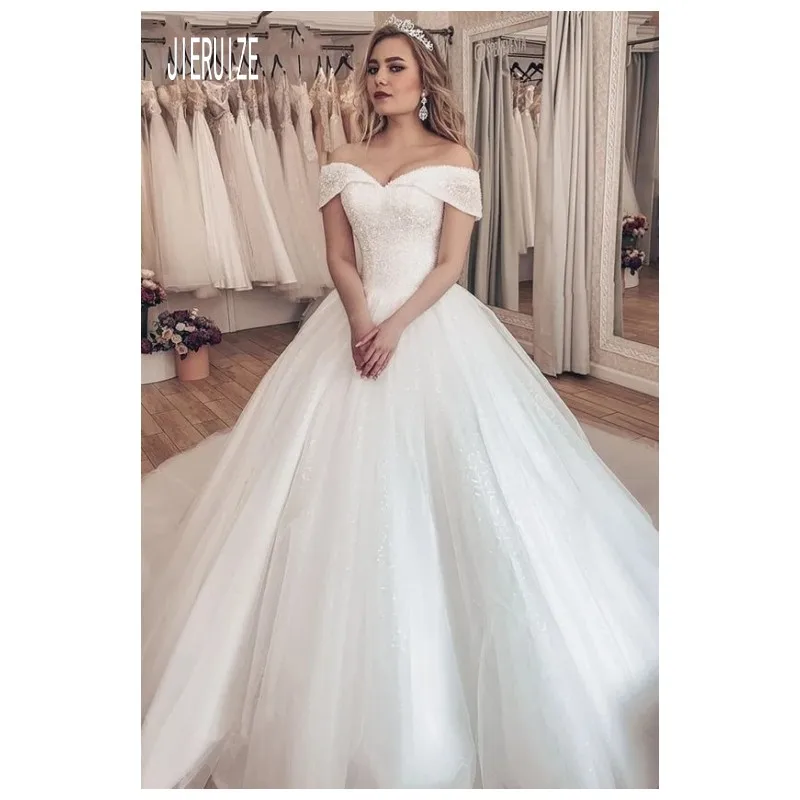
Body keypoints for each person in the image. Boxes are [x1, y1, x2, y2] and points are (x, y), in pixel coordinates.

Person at [141, 17, 658, 790]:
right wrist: (359, 320)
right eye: (374, 67)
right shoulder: (340, 159)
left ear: (424, 80)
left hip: (430, 321)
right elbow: (338, 255)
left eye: (396, 67)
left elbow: (450, 264)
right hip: (352, 324)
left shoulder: (455, 159)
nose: (380, 79)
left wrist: (395, 326)